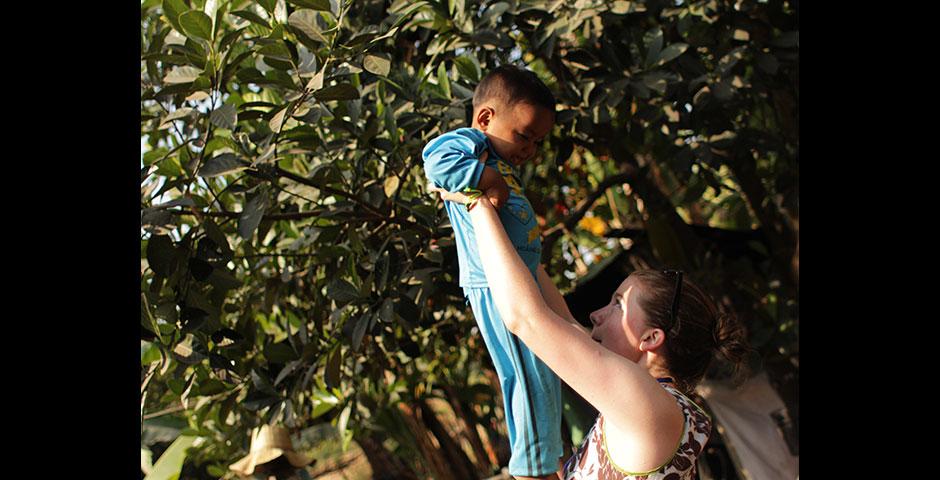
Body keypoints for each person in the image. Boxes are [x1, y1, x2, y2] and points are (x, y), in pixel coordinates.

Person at [463, 194, 750, 479]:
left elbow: (525, 319)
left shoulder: (648, 403)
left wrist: (475, 201)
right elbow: (564, 323)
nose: (596, 314)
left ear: (651, 338)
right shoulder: (654, 405)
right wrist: (522, 247)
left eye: (618, 304)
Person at [422, 64, 571, 479]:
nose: (531, 149)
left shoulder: (495, 157)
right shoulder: (471, 145)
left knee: (550, 370)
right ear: (486, 117)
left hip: (522, 280)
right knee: (527, 375)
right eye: (525, 135)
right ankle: (531, 468)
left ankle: (551, 458)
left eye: (539, 142)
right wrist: (486, 178)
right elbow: (435, 160)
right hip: (496, 286)